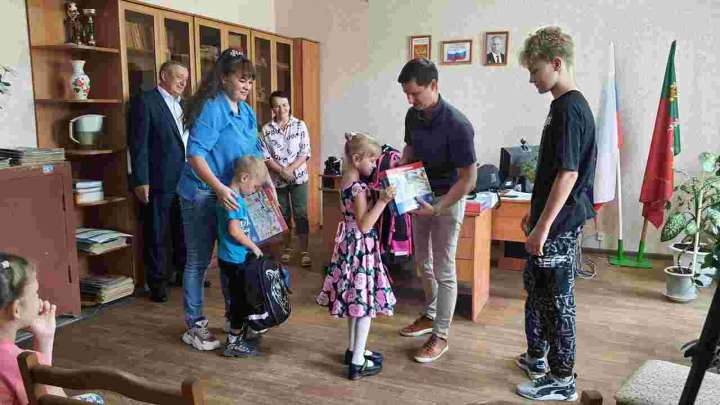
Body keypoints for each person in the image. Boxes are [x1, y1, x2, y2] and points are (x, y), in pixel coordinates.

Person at [514, 26, 596, 401]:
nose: (532, 79)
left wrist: (543, 227)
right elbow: (552, 173)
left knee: (557, 301)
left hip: (560, 226)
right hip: (549, 222)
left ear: (556, 63)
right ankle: (538, 358)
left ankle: (562, 380)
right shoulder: (559, 106)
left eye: (535, 70)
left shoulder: (571, 110)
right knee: (537, 292)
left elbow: (568, 174)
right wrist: (534, 216)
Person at [178, 48, 269, 352]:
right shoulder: (212, 108)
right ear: (224, 78)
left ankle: (236, 323)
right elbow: (195, 155)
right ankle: (195, 326)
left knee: (234, 258)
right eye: (242, 79)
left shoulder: (246, 112)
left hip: (231, 193)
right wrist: (218, 188)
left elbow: (254, 154)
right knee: (199, 260)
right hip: (203, 192)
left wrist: (267, 185)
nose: (247, 86)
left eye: (250, 80)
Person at [396, 58, 477, 363]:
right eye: (406, 94)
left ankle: (440, 335)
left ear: (433, 85)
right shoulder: (413, 115)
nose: (410, 100)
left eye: (415, 93)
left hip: (448, 198)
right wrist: (401, 168)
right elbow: (410, 148)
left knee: (444, 268)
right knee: (422, 262)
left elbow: (469, 179)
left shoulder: (458, 125)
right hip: (421, 195)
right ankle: (431, 314)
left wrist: (439, 208)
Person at [316, 132, 397, 380]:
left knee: (355, 301)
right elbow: (365, 224)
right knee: (363, 306)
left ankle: (353, 350)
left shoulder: (346, 182)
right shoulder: (359, 188)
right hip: (361, 248)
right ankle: (358, 362)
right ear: (357, 158)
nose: (374, 165)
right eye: (371, 161)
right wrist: (382, 201)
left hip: (349, 245)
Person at [0, 253, 104, 404]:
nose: (39, 299)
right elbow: (54, 401)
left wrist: (43, 337)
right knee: (95, 400)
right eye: (35, 293)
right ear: (16, 310)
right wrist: (46, 341)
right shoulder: (15, 363)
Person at [129, 61, 189, 303]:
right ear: (164, 75)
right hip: (158, 179)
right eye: (178, 77)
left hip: (185, 179)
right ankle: (157, 283)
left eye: (185, 78)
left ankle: (182, 274)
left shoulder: (183, 104)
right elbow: (139, 145)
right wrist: (140, 179)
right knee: (157, 232)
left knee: (183, 230)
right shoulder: (146, 102)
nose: (183, 82)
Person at [216, 156, 268, 358]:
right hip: (234, 259)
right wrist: (253, 247)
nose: (254, 191)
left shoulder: (229, 196)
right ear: (244, 177)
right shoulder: (234, 201)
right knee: (239, 301)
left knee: (238, 297)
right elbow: (234, 231)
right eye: (254, 187)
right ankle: (233, 342)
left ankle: (239, 335)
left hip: (232, 256)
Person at [260, 90, 312, 267]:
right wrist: (281, 171)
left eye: (284, 105)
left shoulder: (300, 125)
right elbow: (265, 156)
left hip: (299, 178)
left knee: (301, 214)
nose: (282, 109)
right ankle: (288, 248)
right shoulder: (266, 130)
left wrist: (289, 169)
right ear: (272, 109)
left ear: (289, 105)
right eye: (277, 106)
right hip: (277, 180)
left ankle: (304, 251)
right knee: (283, 215)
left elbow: (305, 152)